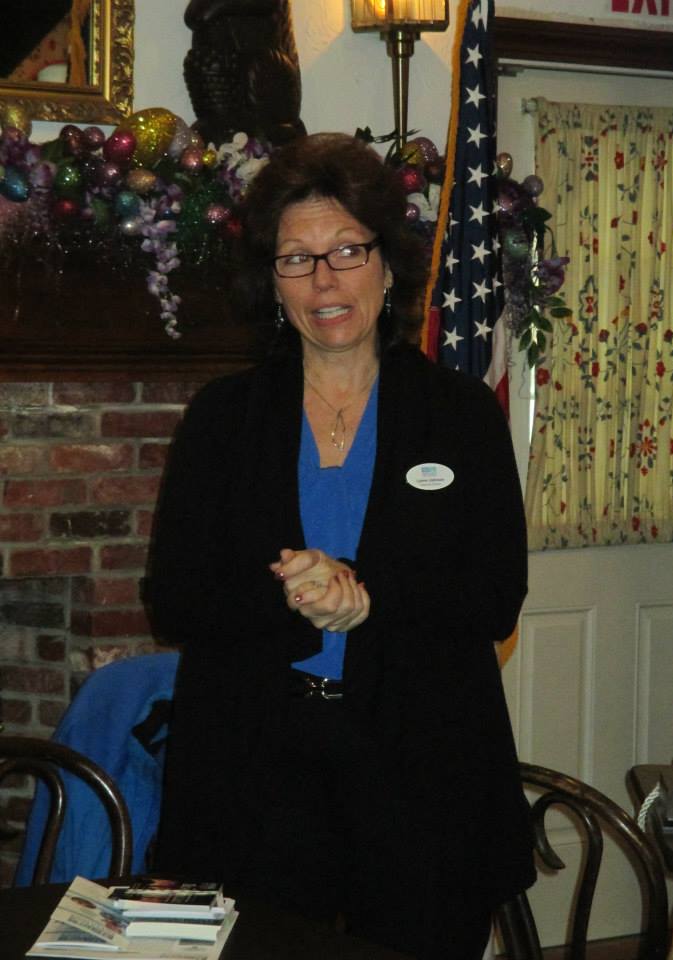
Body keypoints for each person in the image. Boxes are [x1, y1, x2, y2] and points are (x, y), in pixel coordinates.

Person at [149, 132, 535, 960]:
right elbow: (174, 597)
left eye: (347, 250)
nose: (324, 280)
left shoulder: (460, 415)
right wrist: (293, 596)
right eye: (297, 259)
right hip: (253, 768)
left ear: (388, 266)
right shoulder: (223, 418)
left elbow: (495, 595)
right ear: (272, 281)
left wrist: (367, 600)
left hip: (422, 766)